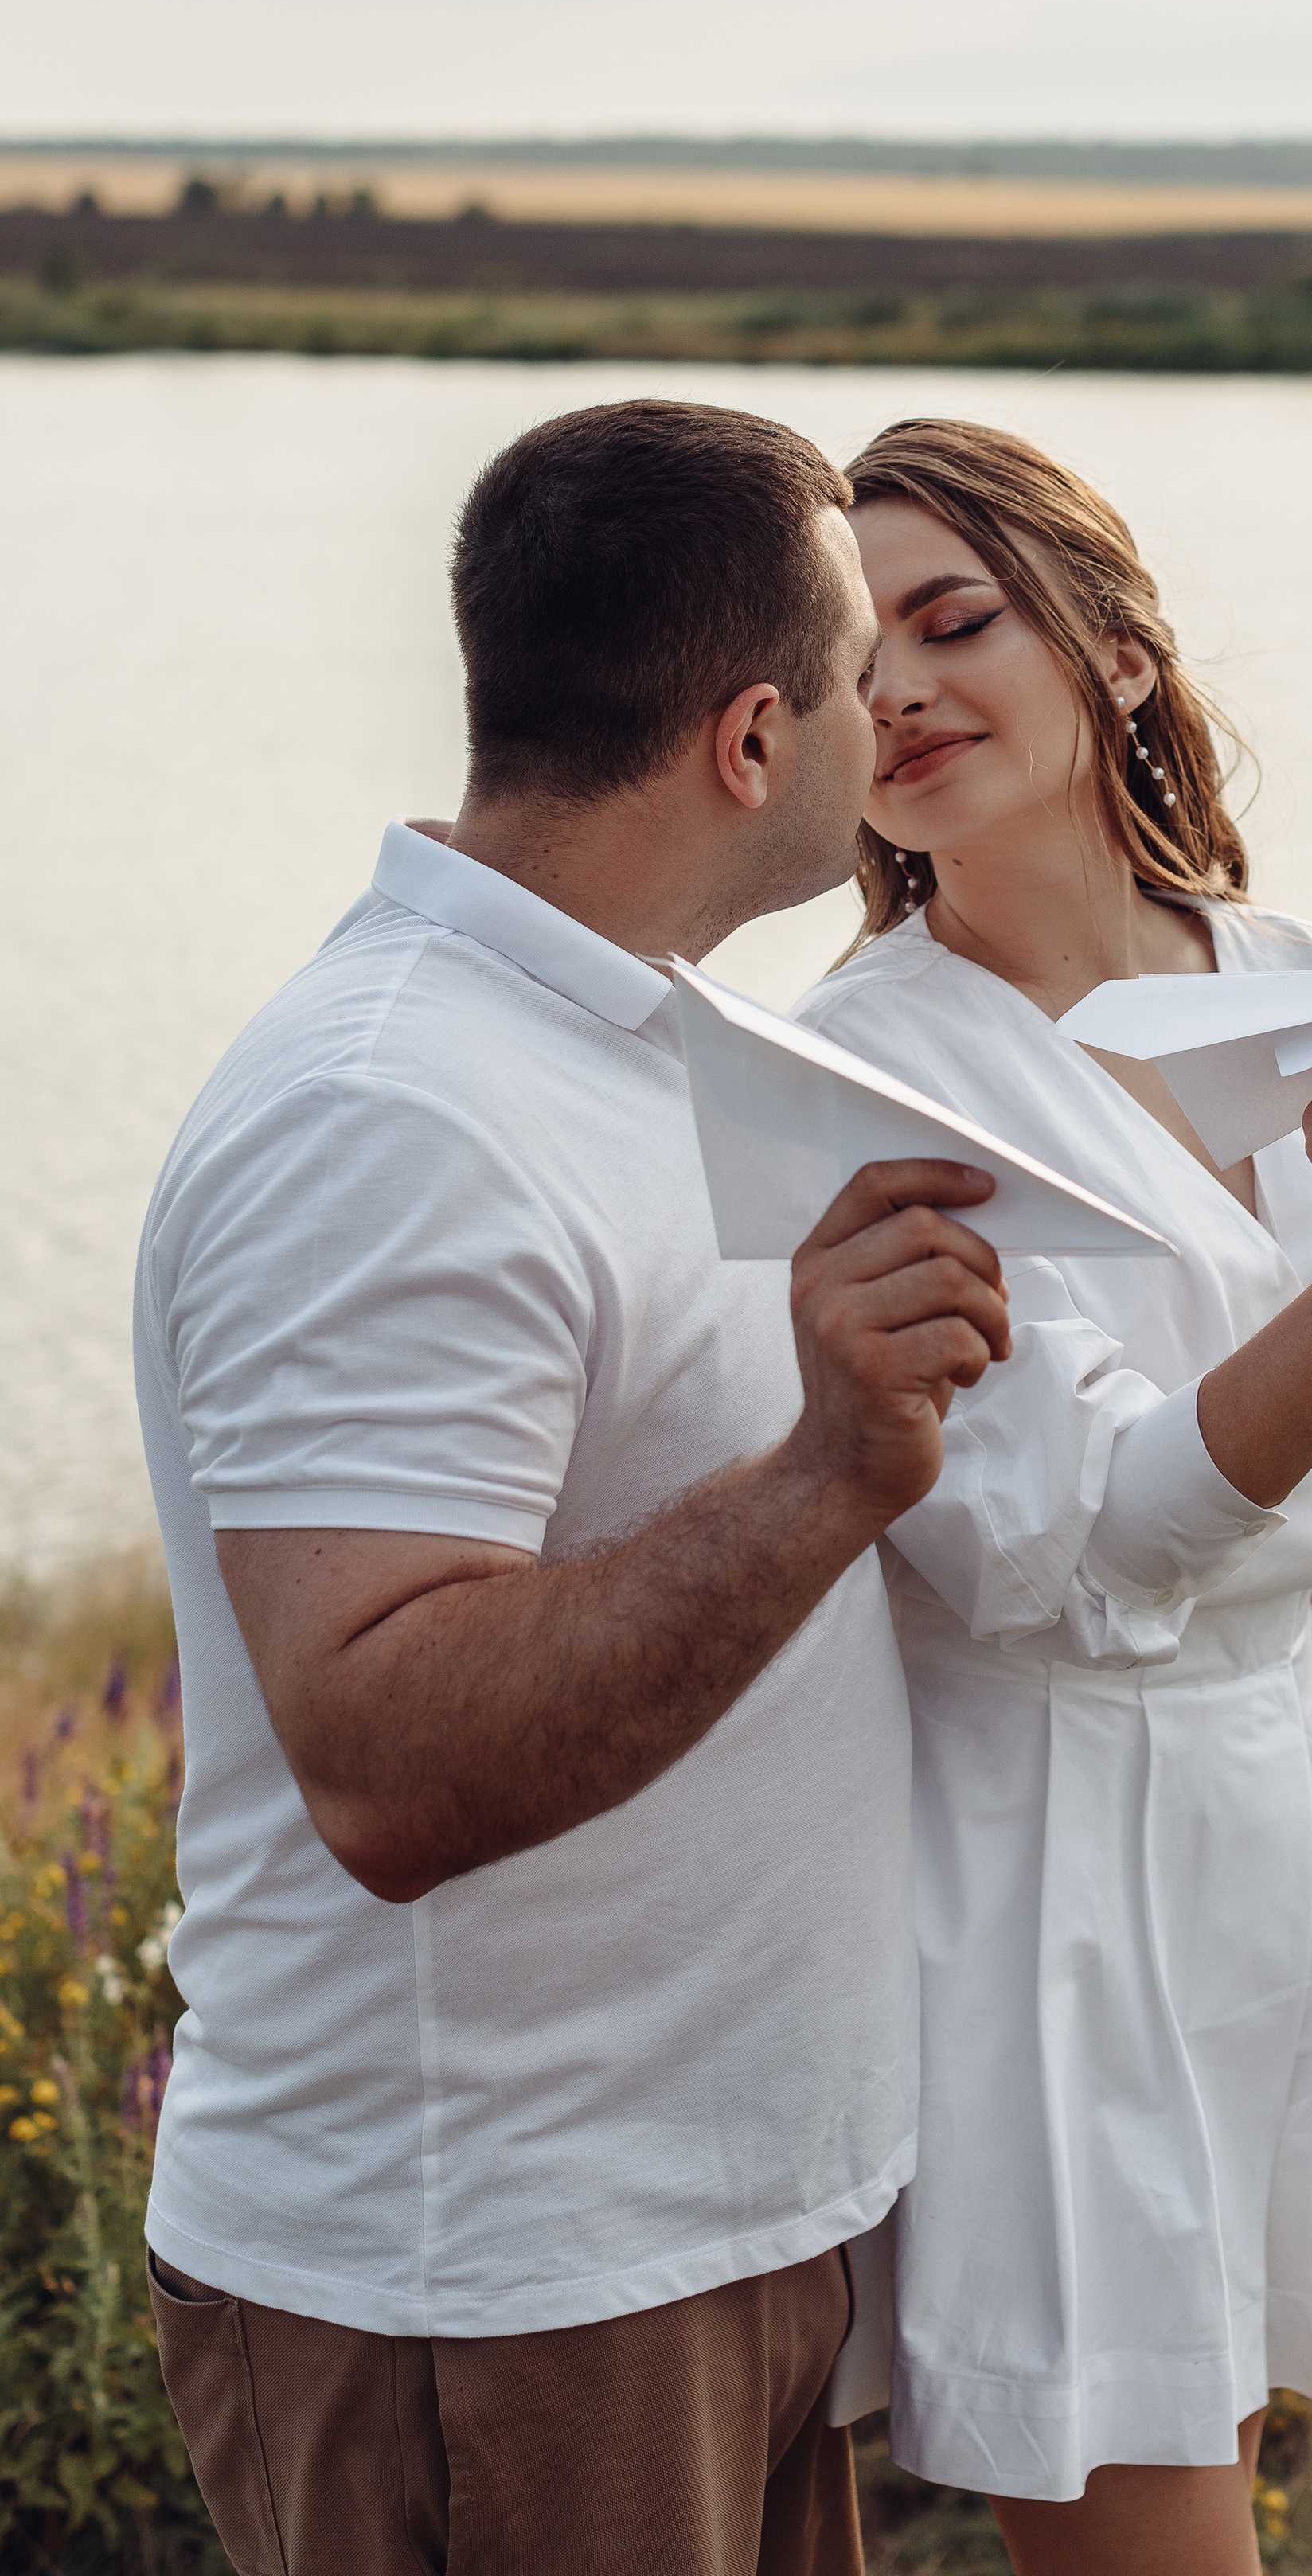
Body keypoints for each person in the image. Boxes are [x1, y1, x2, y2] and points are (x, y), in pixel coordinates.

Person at [131, 397, 1014, 2576]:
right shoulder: (395, 1113)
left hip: (696, 2241)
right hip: (494, 2286)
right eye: (854, 678)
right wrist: (831, 1468)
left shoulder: (626, 1037)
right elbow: (388, 1760)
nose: (888, 716)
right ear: (746, 738)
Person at [795, 417, 1312, 2576]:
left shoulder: (1293, 974)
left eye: (957, 624)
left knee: (1208, 2448)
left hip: (1268, 1811)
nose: (909, 694)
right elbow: (1105, 1533)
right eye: (858, 662)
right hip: (1040, 1858)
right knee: (1145, 2526)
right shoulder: (876, 1069)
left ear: (1119, 658)